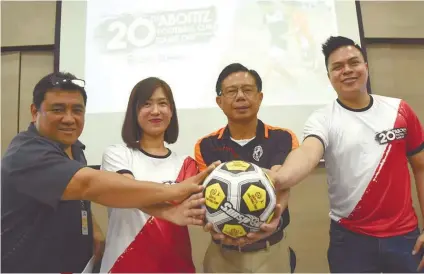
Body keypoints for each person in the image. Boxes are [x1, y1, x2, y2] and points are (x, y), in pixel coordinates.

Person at [1, 72, 217, 273]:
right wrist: (172, 196)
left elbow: (77, 193)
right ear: (34, 112)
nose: (69, 118)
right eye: (57, 109)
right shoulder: (27, 154)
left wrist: (92, 228)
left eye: (77, 110)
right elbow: (92, 186)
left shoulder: (75, 149)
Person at [270, 36, 424, 272]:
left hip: (404, 237)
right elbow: (308, 152)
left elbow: (421, 167)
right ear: (329, 75)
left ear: (366, 67)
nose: (347, 70)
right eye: (338, 67)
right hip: (351, 240)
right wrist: (280, 178)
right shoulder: (323, 119)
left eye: (354, 62)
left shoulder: (400, 110)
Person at [195, 63, 298, 273]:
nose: (240, 97)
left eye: (247, 90)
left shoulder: (283, 138)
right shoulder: (207, 145)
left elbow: (283, 184)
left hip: (271, 250)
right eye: (232, 91)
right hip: (222, 254)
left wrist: (273, 219)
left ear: (260, 97)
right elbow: (205, 197)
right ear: (219, 101)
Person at [99, 77, 206, 273]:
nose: (155, 111)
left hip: (176, 267)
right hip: (123, 266)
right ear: (135, 112)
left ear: (171, 112)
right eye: (147, 104)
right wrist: (174, 193)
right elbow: (126, 192)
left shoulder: (187, 164)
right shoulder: (117, 154)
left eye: (162, 103)